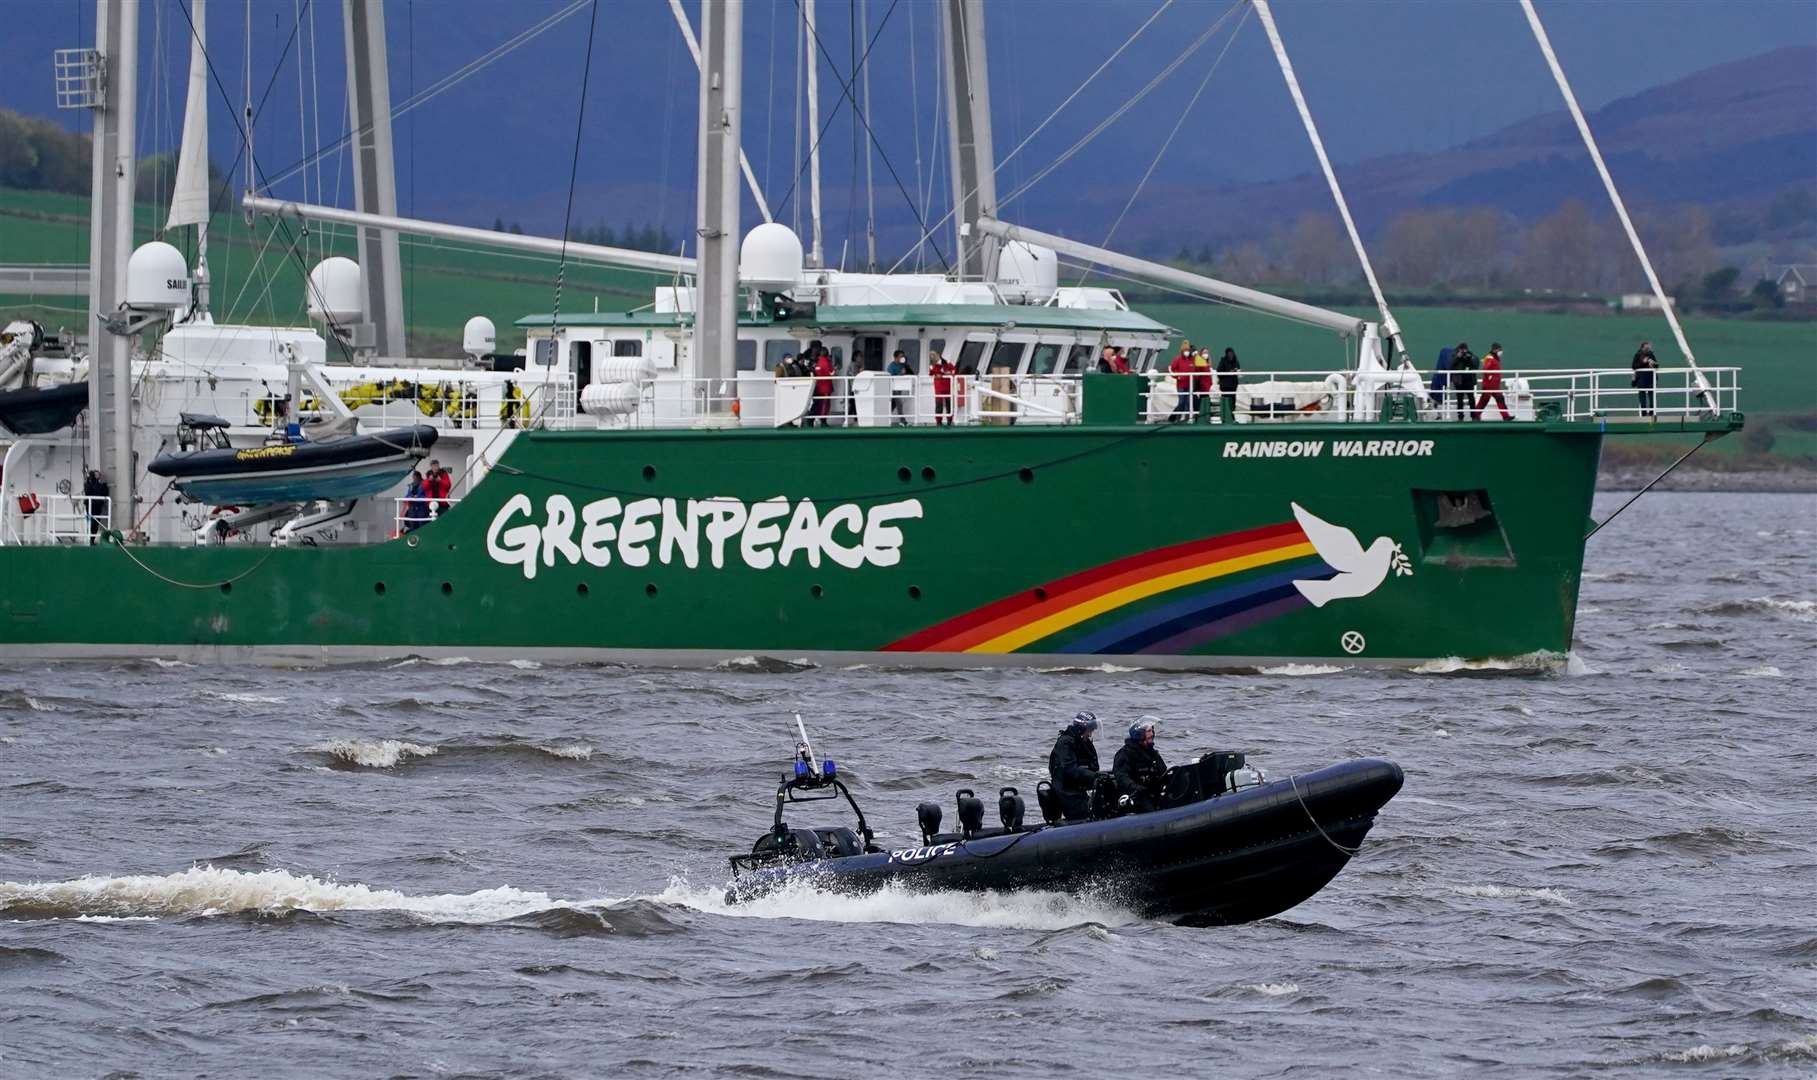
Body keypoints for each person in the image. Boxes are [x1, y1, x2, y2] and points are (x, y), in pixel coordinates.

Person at [1048, 711, 1107, 821]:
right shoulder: (1066, 743)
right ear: (1081, 729)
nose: (1090, 734)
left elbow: (1093, 766)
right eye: (1089, 731)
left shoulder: (1085, 743)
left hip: (1080, 790)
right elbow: (1070, 769)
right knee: (1085, 813)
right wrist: (1094, 776)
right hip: (1066, 792)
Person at [1113, 716, 1168, 813]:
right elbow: (1122, 777)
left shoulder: (1152, 753)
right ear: (1139, 734)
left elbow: (1164, 772)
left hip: (1152, 793)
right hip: (1136, 796)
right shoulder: (1125, 754)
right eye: (1149, 731)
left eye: (1152, 731)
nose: (1152, 734)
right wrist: (1136, 788)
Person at [1474, 343, 1512, 421]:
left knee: (1500, 399)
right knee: (1484, 400)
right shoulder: (1490, 358)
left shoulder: (1495, 358)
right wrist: (1490, 376)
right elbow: (1485, 369)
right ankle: (1475, 416)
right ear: (1494, 350)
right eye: (1499, 350)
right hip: (1489, 385)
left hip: (1495, 385)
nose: (1501, 351)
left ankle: (1506, 416)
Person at [1449, 342, 1478, 420]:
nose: (1464, 351)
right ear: (1459, 349)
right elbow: (1451, 366)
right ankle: (1460, 417)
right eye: (1462, 350)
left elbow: (1475, 365)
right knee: (1459, 399)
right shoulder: (1454, 355)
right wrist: (1458, 357)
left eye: (1465, 349)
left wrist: (1470, 358)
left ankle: (1474, 416)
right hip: (1459, 381)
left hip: (1469, 380)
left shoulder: (1470, 354)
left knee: (1471, 398)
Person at [1168, 347, 1196, 422]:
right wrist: (1177, 377)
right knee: (1181, 401)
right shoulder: (1178, 359)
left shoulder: (1193, 360)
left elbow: (1197, 369)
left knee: (1188, 402)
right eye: (1185, 351)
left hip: (1190, 384)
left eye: (1188, 351)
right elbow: (1171, 369)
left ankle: (1187, 419)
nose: (1187, 352)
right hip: (1181, 385)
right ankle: (1178, 418)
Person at [1632, 340, 1659, 417]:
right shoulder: (1637, 355)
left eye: (1648, 348)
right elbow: (1634, 366)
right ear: (1642, 348)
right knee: (1642, 398)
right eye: (1646, 348)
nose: (1648, 349)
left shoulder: (1651, 355)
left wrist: (1653, 364)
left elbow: (1657, 365)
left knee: (1652, 397)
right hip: (1641, 379)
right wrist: (1644, 363)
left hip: (1650, 378)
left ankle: (1651, 413)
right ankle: (1644, 413)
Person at [886, 349, 913, 426]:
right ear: (896, 357)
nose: (902, 358)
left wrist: (907, 367)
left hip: (900, 388)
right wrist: (900, 374)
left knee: (893, 405)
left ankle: (885, 417)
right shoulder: (891, 366)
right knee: (899, 403)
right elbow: (890, 377)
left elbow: (911, 373)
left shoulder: (903, 365)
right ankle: (903, 421)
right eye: (901, 356)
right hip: (893, 389)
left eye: (903, 356)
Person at [930, 350, 957, 426]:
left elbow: (954, 370)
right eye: (931, 356)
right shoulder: (932, 365)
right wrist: (940, 374)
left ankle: (950, 421)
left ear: (938, 355)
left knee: (949, 404)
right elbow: (931, 372)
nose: (933, 357)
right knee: (939, 405)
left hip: (947, 387)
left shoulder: (947, 363)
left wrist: (950, 373)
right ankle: (938, 422)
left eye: (934, 355)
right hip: (939, 387)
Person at [82, 469, 109, 541]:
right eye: (96, 474)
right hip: (90, 506)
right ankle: (89, 539)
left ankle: (92, 539)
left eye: (99, 474)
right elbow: (88, 492)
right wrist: (89, 479)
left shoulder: (101, 485)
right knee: (91, 523)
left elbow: (105, 493)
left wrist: (104, 484)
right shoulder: (89, 483)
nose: (98, 476)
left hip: (97, 506)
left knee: (96, 524)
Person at [811, 348, 836, 427]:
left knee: (819, 404)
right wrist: (835, 369)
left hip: (819, 387)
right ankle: (823, 420)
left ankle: (814, 419)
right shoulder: (826, 362)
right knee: (825, 404)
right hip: (826, 387)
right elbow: (831, 373)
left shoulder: (818, 362)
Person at [1216, 347, 1241, 420]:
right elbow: (1219, 372)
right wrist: (1228, 372)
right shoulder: (1223, 361)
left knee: (1233, 403)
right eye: (1229, 353)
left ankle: (1232, 418)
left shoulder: (1236, 361)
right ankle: (1225, 418)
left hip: (1233, 386)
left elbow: (1238, 371)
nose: (1230, 355)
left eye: (1232, 353)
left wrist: (1238, 372)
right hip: (1225, 386)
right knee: (1226, 402)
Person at [1430, 345, 1454, 418]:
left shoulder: (1445, 353)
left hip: (1441, 381)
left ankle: (1438, 412)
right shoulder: (1447, 354)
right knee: (1438, 395)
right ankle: (1438, 412)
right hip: (1441, 382)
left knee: (1438, 395)